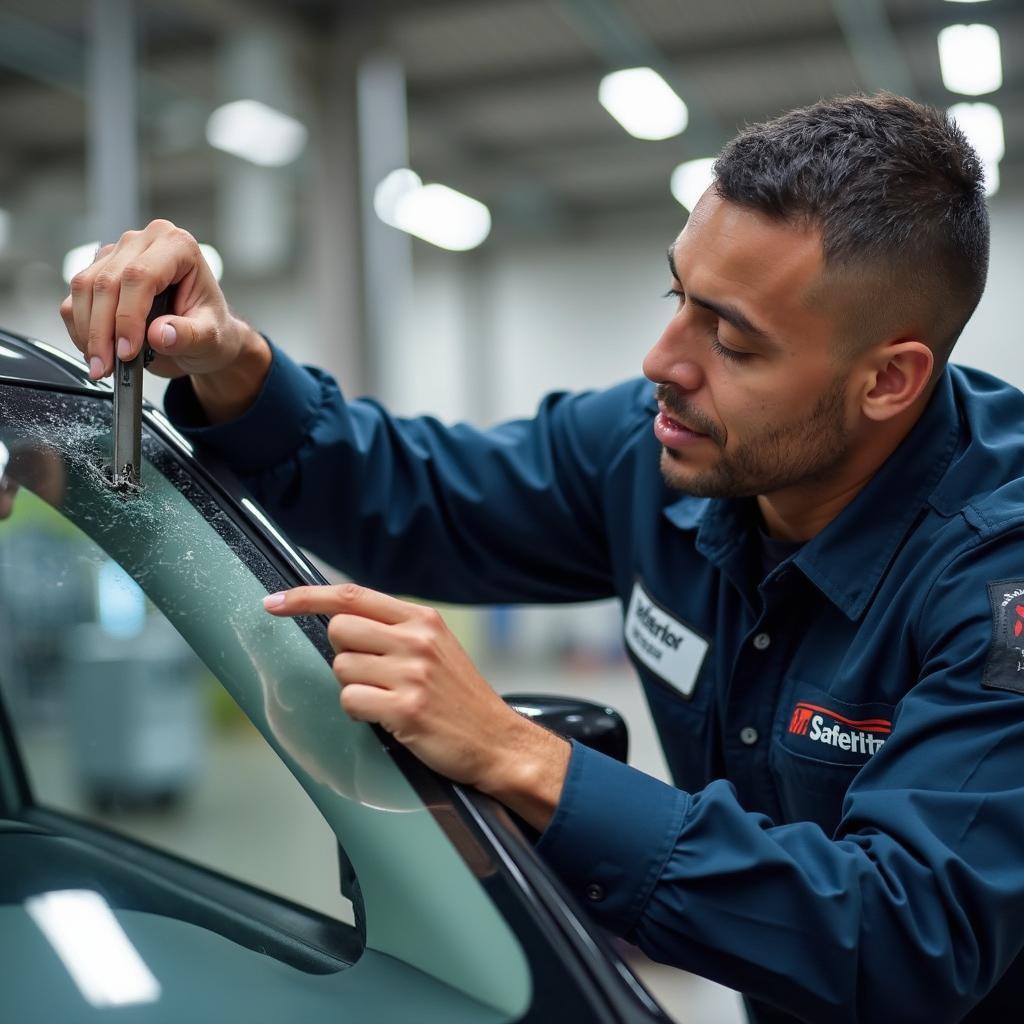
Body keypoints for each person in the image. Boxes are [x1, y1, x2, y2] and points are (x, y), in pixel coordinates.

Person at [61, 93, 1024, 1023]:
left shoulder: (996, 575)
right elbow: (423, 498)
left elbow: (909, 938)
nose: (662, 359)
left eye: (730, 339)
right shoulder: (652, 448)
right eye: (677, 296)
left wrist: (519, 755)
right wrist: (233, 364)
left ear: (888, 380)